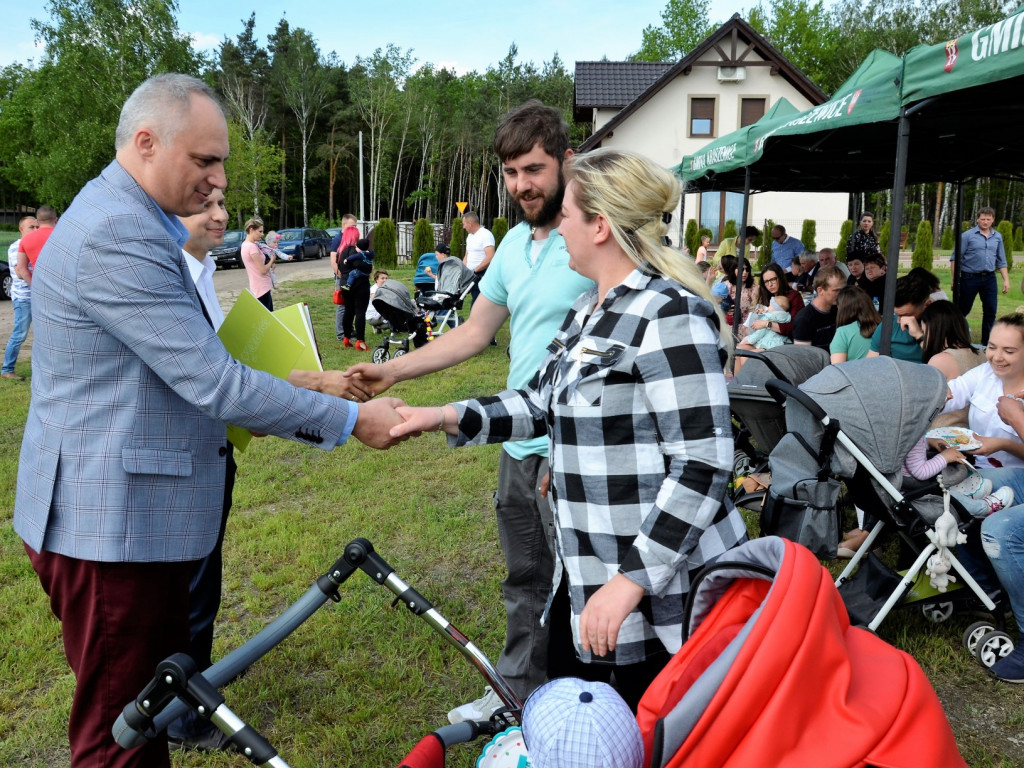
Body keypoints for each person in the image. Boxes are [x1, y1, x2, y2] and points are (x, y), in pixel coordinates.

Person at [13, 73, 404, 768]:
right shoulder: (118, 234)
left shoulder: (127, 219)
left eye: (220, 160)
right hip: (110, 530)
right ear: (145, 142)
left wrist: (305, 380)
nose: (219, 178)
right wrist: (348, 420)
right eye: (204, 161)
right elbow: (213, 382)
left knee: (145, 715)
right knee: (119, 738)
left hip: (123, 521)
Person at [388, 149, 747, 710]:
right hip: (586, 573)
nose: (558, 223)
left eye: (569, 214)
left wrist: (630, 582)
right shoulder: (587, 308)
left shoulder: (669, 314)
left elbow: (704, 464)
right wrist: (439, 417)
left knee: (646, 734)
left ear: (599, 226)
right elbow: (538, 401)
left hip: (658, 598)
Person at [347, 100, 595, 715]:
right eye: (511, 174)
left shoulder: (595, 233)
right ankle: (518, 693)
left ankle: (581, 710)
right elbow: (473, 332)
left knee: (583, 591)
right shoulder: (513, 243)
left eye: (534, 169)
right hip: (516, 442)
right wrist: (391, 370)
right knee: (524, 579)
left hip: (575, 449)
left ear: (566, 159)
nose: (522, 186)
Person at [920, 300, 985, 429]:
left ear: (933, 331)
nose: (924, 337)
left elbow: (923, 405)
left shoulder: (940, 360)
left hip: (940, 432)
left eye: (924, 332)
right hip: (968, 431)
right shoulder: (981, 355)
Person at [956, 207, 1009, 346]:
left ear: (993, 220)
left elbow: (1001, 260)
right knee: (962, 310)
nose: (985, 222)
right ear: (978, 219)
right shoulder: (967, 235)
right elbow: (955, 258)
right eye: (983, 219)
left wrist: (1006, 280)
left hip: (989, 278)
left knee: (991, 311)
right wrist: (954, 280)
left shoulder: (997, 236)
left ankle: (987, 344)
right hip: (969, 277)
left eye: (988, 219)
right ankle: (956, 339)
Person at [1, 215, 39, 381]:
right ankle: (7, 369)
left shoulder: (38, 245)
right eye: (31, 227)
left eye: (37, 227)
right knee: (20, 333)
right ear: (21, 229)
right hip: (24, 298)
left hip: (37, 297)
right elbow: (20, 273)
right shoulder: (16, 247)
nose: (36, 230)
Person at [867, 274, 932, 363]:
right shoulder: (888, 326)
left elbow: (945, 362)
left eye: (906, 315)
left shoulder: (942, 323)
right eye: (897, 314)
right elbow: (871, 363)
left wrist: (919, 336)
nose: (899, 320)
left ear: (927, 304)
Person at [792, 266, 844, 351]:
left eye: (842, 290)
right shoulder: (804, 319)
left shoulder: (838, 309)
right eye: (836, 290)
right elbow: (803, 357)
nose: (841, 294)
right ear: (820, 291)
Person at [829, 285, 881, 364]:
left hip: (853, 375)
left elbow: (837, 370)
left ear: (842, 308)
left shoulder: (843, 332)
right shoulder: (882, 326)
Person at [341, 237, 373, 350]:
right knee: (360, 312)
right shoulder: (357, 253)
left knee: (348, 311)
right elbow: (363, 266)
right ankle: (360, 341)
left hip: (345, 283)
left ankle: (346, 337)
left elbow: (339, 266)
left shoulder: (342, 251)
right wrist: (369, 268)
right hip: (360, 285)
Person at [332, 214, 360, 340]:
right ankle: (341, 333)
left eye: (356, 225)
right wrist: (342, 276)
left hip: (351, 278)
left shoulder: (353, 238)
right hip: (343, 277)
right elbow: (333, 261)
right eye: (352, 225)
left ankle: (349, 330)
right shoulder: (338, 239)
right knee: (342, 305)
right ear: (344, 225)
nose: (355, 228)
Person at [462, 210, 495, 305]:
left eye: (464, 224)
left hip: (481, 274)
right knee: (474, 298)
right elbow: (467, 255)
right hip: (471, 275)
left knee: (477, 302)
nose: (463, 227)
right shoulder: (470, 236)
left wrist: (476, 270)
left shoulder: (485, 235)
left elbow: (490, 256)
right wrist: (464, 270)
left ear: (470, 223)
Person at [241, 216, 274, 310]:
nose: (262, 234)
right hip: (261, 288)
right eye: (260, 231)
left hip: (257, 287)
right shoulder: (252, 247)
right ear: (251, 230)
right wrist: (272, 260)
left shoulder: (245, 245)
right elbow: (262, 270)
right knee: (269, 319)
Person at [365, 269, 390, 333]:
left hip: (382, 313)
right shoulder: (373, 289)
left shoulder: (386, 288)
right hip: (373, 316)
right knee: (394, 320)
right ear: (376, 279)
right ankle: (377, 326)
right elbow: (377, 302)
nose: (385, 280)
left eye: (386, 278)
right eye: (382, 278)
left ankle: (378, 327)